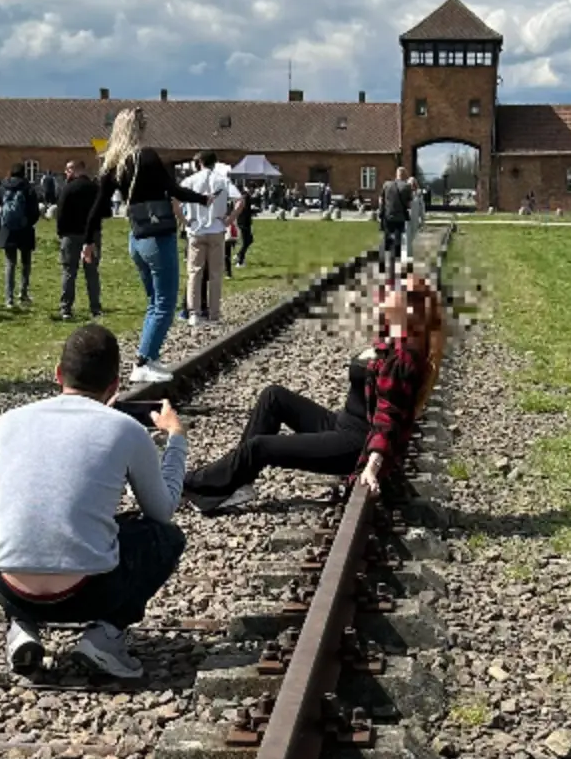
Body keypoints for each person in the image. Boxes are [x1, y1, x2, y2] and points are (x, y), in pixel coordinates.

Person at [0, 325, 188, 678]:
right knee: (166, 538)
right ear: (113, 387)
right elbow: (162, 510)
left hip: (8, 586)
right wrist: (176, 438)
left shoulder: (7, 423)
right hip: (90, 592)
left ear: (58, 374)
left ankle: (22, 628)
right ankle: (104, 637)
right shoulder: (126, 430)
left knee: (18, 519)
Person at [182, 270, 445, 512]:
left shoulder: (405, 357)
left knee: (259, 448)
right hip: (341, 424)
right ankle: (237, 484)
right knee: (273, 396)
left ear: (409, 305)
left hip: (355, 445)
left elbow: (389, 417)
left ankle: (189, 482)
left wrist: (372, 467)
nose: (384, 293)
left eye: (393, 290)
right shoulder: (393, 334)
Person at [83, 109, 211, 385]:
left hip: (137, 239)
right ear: (138, 129)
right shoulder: (147, 156)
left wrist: (88, 241)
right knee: (164, 303)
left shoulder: (112, 163)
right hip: (158, 237)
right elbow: (173, 190)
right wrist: (203, 199)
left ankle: (149, 357)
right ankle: (143, 360)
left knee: (155, 302)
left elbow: (98, 206)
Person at [182, 151, 243, 327]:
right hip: (217, 230)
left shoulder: (190, 180)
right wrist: (229, 220)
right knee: (215, 273)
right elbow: (240, 201)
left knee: (194, 272)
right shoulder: (222, 180)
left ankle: (194, 313)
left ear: (199, 162)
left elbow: (174, 200)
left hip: (196, 231)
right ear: (214, 163)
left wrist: (184, 220)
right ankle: (214, 314)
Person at [57, 158, 102, 321]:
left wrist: (61, 232)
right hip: (92, 235)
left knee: (69, 271)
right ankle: (95, 307)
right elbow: (104, 211)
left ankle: (66, 308)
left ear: (75, 170)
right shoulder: (95, 188)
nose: (65, 173)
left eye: (68, 170)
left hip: (70, 234)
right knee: (92, 272)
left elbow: (60, 213)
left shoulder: (68, 189)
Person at [0, 163, 41, 309]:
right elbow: (35, 211)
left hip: (6, 230)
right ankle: (23, 293)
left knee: (9, 263)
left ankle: (9, 298)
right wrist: (29, 223)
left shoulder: (2, 187)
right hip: (25, 229)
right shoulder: (28, 188)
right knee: (26, 263)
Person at [379, 167, 413, 266]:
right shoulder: (407, 187)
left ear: (396, 174)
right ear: (404, 175)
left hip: (387, 215)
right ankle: (397, 260)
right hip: (400, 216)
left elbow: (381, 198)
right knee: (398, 237)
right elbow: (408, 204)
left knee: (387, 235)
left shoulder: (386, 184)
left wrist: (383, 209)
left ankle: (385, 258)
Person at [403, 177, 425, 259]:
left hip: (415, 220)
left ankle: (407, 254)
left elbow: (422, 208)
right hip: (406, 219)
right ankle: (408, 257)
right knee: (407, 238)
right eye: (410, 184)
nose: (412, 186)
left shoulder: (418, 195)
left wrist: (422, 220)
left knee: (411, 237)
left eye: (413, 184)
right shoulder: (404, 193)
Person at [235, 184, 255, 267]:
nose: (253, 191)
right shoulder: (246, 197)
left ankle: (239, 255)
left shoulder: (242, 196)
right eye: (253, 189)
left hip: (242, 222)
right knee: (247, 241)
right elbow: (246, 210)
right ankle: (240, 261)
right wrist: (254, 211)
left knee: (249, 240)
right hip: (244, 222)